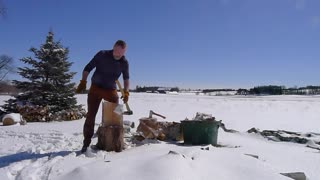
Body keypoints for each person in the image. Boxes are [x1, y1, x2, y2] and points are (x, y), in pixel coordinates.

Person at [76, 40, 130, 153]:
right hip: (95, 88)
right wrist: (83, 82)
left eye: (121, 54)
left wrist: (126, 92)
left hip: (110, 90)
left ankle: (115, 140)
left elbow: (126, 79)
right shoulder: (102, 54)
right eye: (116, 52)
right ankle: (86, 143)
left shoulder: (124, 62)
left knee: (117, 112)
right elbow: (87, 68)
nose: (117, 55)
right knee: (91, 115)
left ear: (124, 52)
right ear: (113, 48)